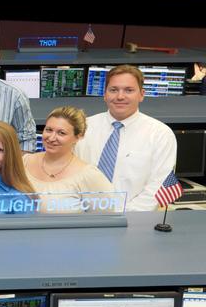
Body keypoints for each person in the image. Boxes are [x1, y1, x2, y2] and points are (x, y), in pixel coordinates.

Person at [75, 64, 177, 211]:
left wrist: (122, 216)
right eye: (113, 90)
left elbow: (158, 186)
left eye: (129, 90)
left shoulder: (160, 134)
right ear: (105, 94)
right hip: (82, 217)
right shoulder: (83, 127)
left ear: (141, 94)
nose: (120, 96)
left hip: (133, 221)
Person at [24, 106, 115, 204]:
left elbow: (106, 216)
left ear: (78, 137)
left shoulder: (89, 176)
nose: (51, 138)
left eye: (61, 133)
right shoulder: (23, 162)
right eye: (49, 130)